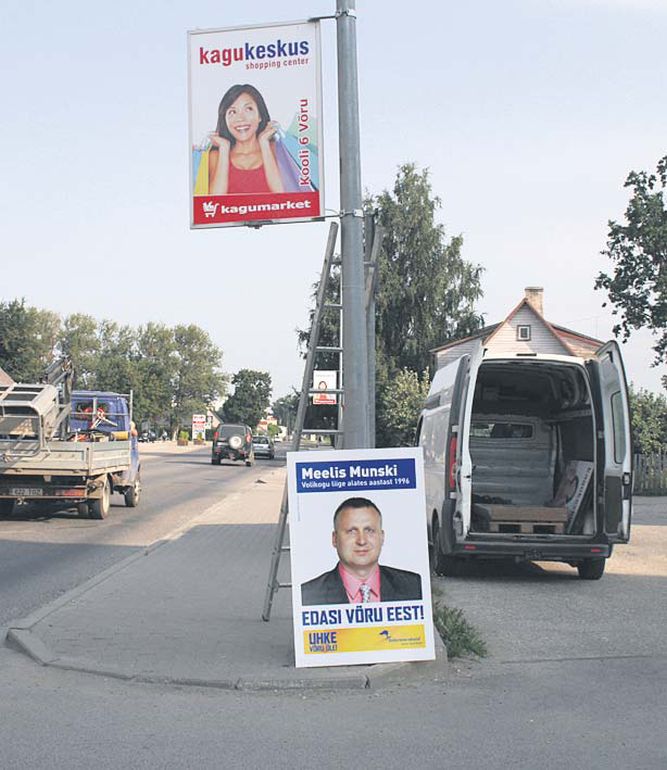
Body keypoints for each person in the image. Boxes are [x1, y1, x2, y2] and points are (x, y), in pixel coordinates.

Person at [301, 497, 423, 606]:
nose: (362, 541)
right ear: (334, 539)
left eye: (369, 530)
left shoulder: (415, 587)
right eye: (351, 531)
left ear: (382, 537)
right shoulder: (308, 595)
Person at [208, 83, 284, 195]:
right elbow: (214, 203)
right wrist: (224, 149)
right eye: (232, 112)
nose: (240, 118)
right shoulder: (215, 156)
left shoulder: (277, 151)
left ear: (260, 116)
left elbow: (283, 195)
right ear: (225, 119)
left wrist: (264, 143)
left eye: (248, 109)